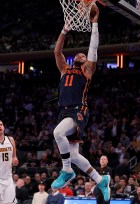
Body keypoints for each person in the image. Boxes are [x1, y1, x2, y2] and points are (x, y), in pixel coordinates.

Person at [51, 4, 110, 202]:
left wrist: (94, 24)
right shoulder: (64, 70)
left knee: (58, 133)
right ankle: (100, 179)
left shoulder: (87, 71)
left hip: (78, 110)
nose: (81, 54)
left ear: (86, 62)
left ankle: (67, 171)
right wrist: (64, 31)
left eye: (83, 56)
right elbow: (57, 51)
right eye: (78, 54)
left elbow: (93, 47)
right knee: (74, 155)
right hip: (64, 111)